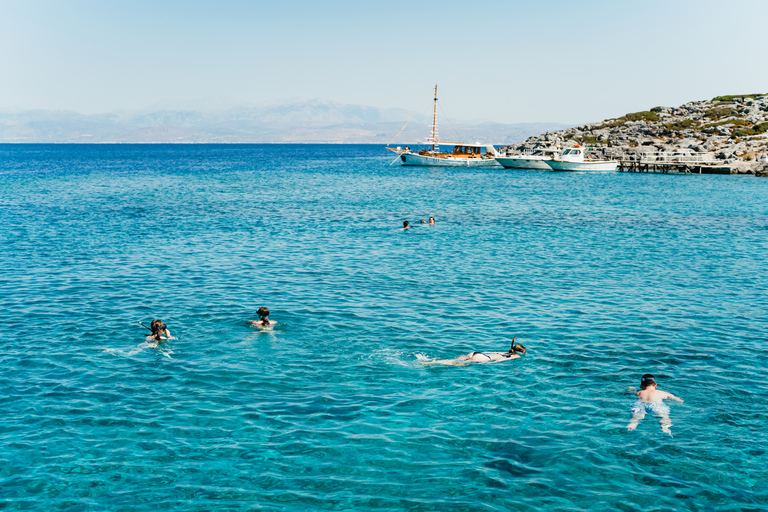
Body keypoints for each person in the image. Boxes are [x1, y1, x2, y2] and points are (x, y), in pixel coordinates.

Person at [423, 340, 526, 366]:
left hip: (477, 353)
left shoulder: (503, 351)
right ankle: (434, 362)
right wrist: (491, 363)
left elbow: (491, 352)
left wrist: (482, 353)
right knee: (456, 364)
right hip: (484, 359)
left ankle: (435, 361)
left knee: (456, 360)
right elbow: (501, 360)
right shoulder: (516, 357)